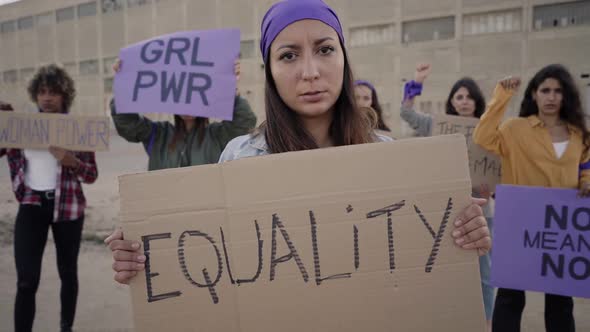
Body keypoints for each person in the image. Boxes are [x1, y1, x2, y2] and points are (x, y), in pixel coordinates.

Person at [105, 1, 492, 308]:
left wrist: (465, 237)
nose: (310, 71)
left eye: (324, 49)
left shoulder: (387, 157)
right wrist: (145, 257)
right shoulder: (241, 158)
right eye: (289, 55)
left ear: (343, 57)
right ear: (270, 71)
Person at [474, 64, 590, 332]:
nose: (551, 97)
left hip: (561, 228)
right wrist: (502, 96)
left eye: (557, 91)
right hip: (520, 223)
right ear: (534, 95)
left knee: (561, 302)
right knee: (511, 297)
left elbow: (586, 165)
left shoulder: (579, 134)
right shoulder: (515, 129)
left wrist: (586, 183)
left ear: (566, 95)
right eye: (545, 90)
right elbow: (482, 137)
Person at [0, 65, 98, 332]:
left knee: (68, 274)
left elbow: (91, 175)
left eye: (53, 92)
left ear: (64, 95)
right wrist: (4, 119)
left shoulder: (78, 129)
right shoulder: (21, 127)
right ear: (35, 95)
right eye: (42, 92)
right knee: (26, 281)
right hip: (31, 206)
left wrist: (72, 161)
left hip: (68, 209)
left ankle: (66, 327)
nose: (47, 98)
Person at [399, 63, 495, 329]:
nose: (464, 102)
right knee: (446, 272)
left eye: (469, 97)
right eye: (459, 96)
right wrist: (415, 83)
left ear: (477, 101)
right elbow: (406, 113)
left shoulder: (490, 132)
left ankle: (486, 323)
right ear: (452, 101)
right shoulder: (437, 126)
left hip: (482, 212)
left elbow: (501, 170)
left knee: (485, 275)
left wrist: (492, 188)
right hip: (444, 215)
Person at [110, 60, 257, 170]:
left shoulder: (217, 135)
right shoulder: (158, 134)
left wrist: (229, 90)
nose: (188, 106)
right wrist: (124, 87)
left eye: (193, 97)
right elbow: (127, 124)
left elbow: (244, 122)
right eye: (182, 97)